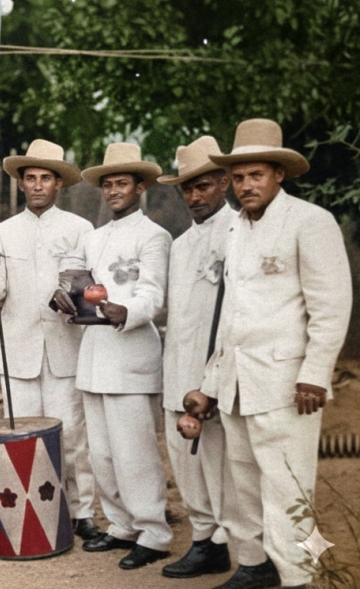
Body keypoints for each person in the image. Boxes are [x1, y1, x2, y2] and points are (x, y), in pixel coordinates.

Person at [196, 119, 351, 589]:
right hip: (237, 382)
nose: (246, 186)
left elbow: (331, 306)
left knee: (288, 487)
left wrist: (315, 373)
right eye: (239, 177)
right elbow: (231, 314)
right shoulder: (235, 229)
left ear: (279, 174)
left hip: (288, 384)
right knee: (243, 483)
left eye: (256, 175)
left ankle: (300, 576)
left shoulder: (310, 221)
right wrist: (211, 383)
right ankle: (255, 565)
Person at [54, 142, 173, 569]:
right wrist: (62, 296)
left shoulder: (154, 235)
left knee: (133, 451)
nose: (114, 191)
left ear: (140, 187)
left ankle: (154, 531)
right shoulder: (94, 237)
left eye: (122, 183)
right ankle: (121, 523)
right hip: (94, 354)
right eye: (108, 185)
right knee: (102, 453)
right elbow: (74, 279)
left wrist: (129, 311)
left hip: (131, 352)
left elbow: (153, 293)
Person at [0, 139, 100, 541]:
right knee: (23, 437)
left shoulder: (80, 229)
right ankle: (35, 513)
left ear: (58, 183)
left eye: (45, 178)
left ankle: (82, 512)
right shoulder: (0, 233)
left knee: (72, 436)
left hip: (65, 346)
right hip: (18, 349)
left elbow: (89, 287)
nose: (36, 185)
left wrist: (75, 297)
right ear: (20, 183)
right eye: (30, 178)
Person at [157, 136, 235, 580]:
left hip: (216, 372)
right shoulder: (180, 244)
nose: (194, 196)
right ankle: (204, 542)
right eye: (187, 188)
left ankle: (231, 543)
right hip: (178, 368)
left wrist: (215, 379)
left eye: (203, 185)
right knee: (185, 462)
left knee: (221, 464)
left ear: (224, 182)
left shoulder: (239, 232)